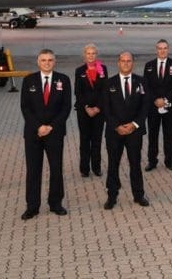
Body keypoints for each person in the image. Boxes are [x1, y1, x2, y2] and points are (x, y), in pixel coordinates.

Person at [19, 49, 71, 220]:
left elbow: (66, 108)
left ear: (54, 62)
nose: (47, 63)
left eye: (50, 60)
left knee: (56, 169)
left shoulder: (63, 80)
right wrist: (39, 127)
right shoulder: (28, 80)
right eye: (43, 60)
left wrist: (50, 127)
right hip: (34, 133)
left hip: (55, 133)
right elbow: (25, 108)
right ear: (38, 62)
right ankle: (32, 206)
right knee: (33, 170)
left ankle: (56, 203)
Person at [101, 51, 149, 209]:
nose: (126, 63)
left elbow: (145, 107)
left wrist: (134, 124)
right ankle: (112, 196)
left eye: (129, 61)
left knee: (135, 163)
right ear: (118, 62)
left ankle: (139, 195)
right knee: (113, 164)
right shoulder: (109, 83)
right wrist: (117, 126)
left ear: (133, 63)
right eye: (123, 61)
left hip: (134, 131)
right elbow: (106, 108)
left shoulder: (141, 82)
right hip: (114, 132)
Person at [143, 39, 172, 171]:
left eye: (165, 48)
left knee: (168, 135)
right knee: (153, 135)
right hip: (153, 107)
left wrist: (164, 100)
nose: (162, 50)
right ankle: (152, 161)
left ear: (168, 49)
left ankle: (169, 161)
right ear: (156, 50)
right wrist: (155, 100)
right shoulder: (149, 65)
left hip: (169, 106)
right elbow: (146, 86)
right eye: (160, 48)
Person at [74, 43, 108, 177]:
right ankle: (84, 169)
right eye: (88, 53)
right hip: (84, 111)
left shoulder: (103, 69)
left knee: (97, 139)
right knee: (84, 139)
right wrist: (87, 107)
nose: (91, 56)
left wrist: (98, 108)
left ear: (96, 55)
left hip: (99, 111)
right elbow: (78, 92)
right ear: (84, 55)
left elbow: (105, 91)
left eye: (93, 53)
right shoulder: (79, 70)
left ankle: (96, 167)